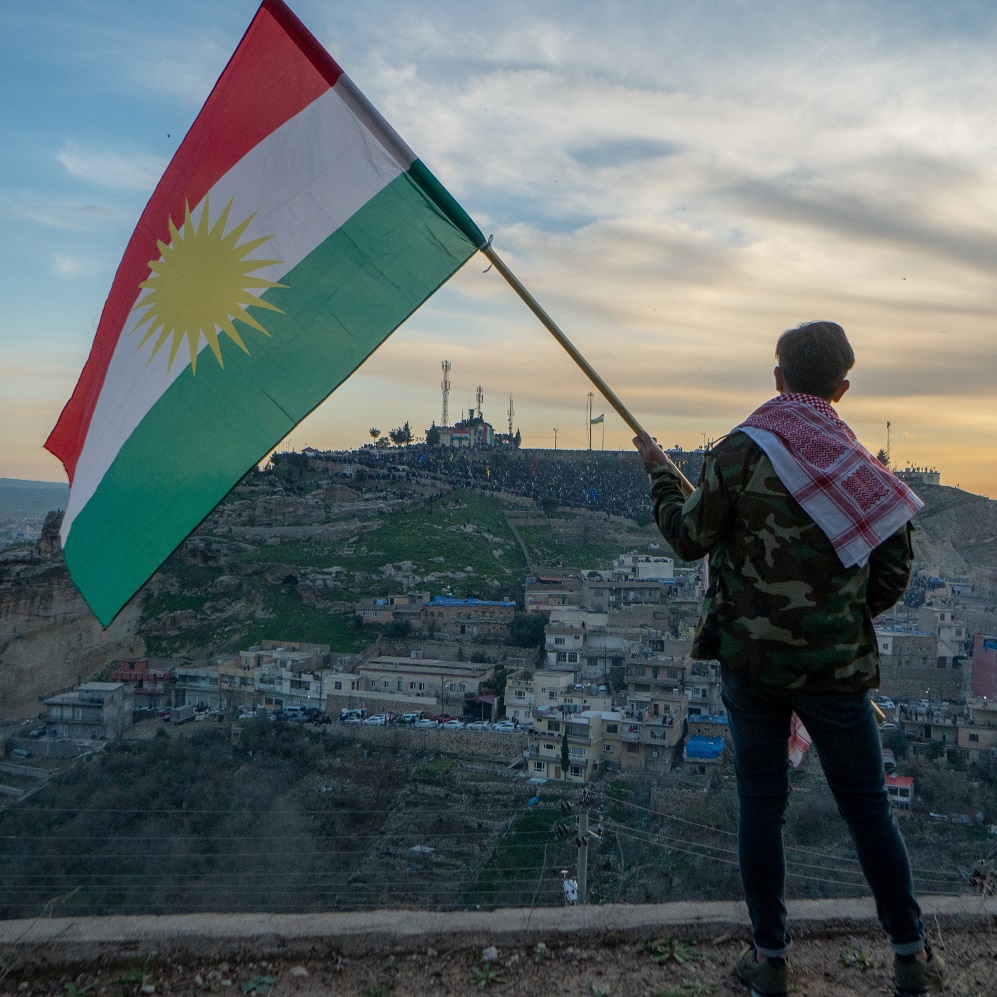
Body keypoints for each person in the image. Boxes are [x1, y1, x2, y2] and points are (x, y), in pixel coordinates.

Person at [633, 321, 944, 997]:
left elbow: (689, 538)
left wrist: (660, 477)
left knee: (760, 808)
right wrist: (839, 619)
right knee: (866, 810)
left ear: (776, 377)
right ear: (841, 388)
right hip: (836, 671)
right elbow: (891, 572)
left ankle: (768, 959)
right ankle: (910, 956)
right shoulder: (862, 468)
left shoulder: (740, 451)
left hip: (750, 666)